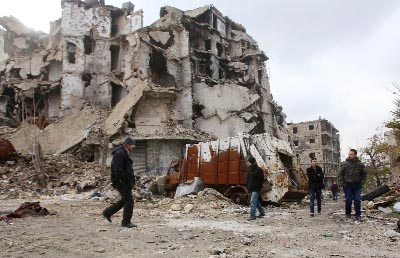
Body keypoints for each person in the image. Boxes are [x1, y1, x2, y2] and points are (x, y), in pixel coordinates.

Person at [102, 137, 137, 228]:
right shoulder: (120, 153)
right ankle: (126, 222)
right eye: (132, 145)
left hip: (123, 181)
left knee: (124, 200)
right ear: (127, 145)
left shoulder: (123, 152)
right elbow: (117, 169)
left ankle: (107, 212)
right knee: (129, 202)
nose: (133, 147)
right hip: (121, 182)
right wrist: (123, 180)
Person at [338, 149, 367, 221]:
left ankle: (358, 215)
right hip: (347, 185)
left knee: (357, 200)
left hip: (357, 185)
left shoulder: (360, 164)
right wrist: (342, 183)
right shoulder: (344, 164)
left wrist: (362, 182)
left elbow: (364, 174)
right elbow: (340, 174)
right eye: (349, 154)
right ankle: (348, 214)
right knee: (348, 200)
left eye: (351, 154)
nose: (350, 155)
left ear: (355, 155)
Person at [246, 156, 265, 221]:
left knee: (253, 201)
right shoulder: (250, 169)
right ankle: (262, 212)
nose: (247, 163)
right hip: (251, 188)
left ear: (251, 162)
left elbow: (261, 179)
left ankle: (252, 216)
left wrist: (257, 186)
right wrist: (248, 186)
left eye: (248, 162)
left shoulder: (258, 169)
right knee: (256, 201)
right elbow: (248, 180)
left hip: (256, 189)